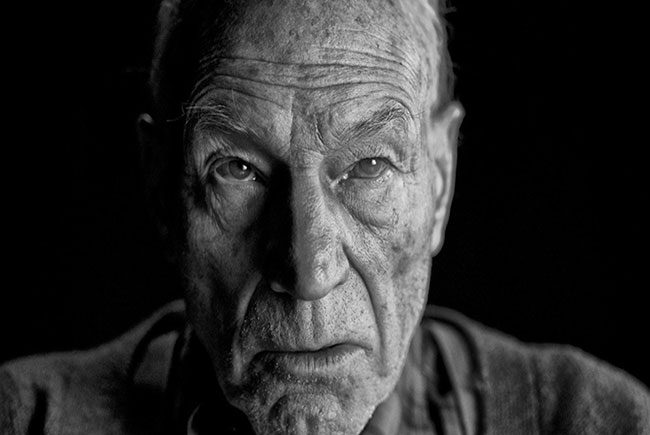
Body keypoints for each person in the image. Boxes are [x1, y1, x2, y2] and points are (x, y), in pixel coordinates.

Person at [1, 0, 648, 433]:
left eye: (368, 165)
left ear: (440, 182)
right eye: (238, 169)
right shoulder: (23, 418)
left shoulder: (601, 420)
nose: (309, 272)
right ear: (161, 189)